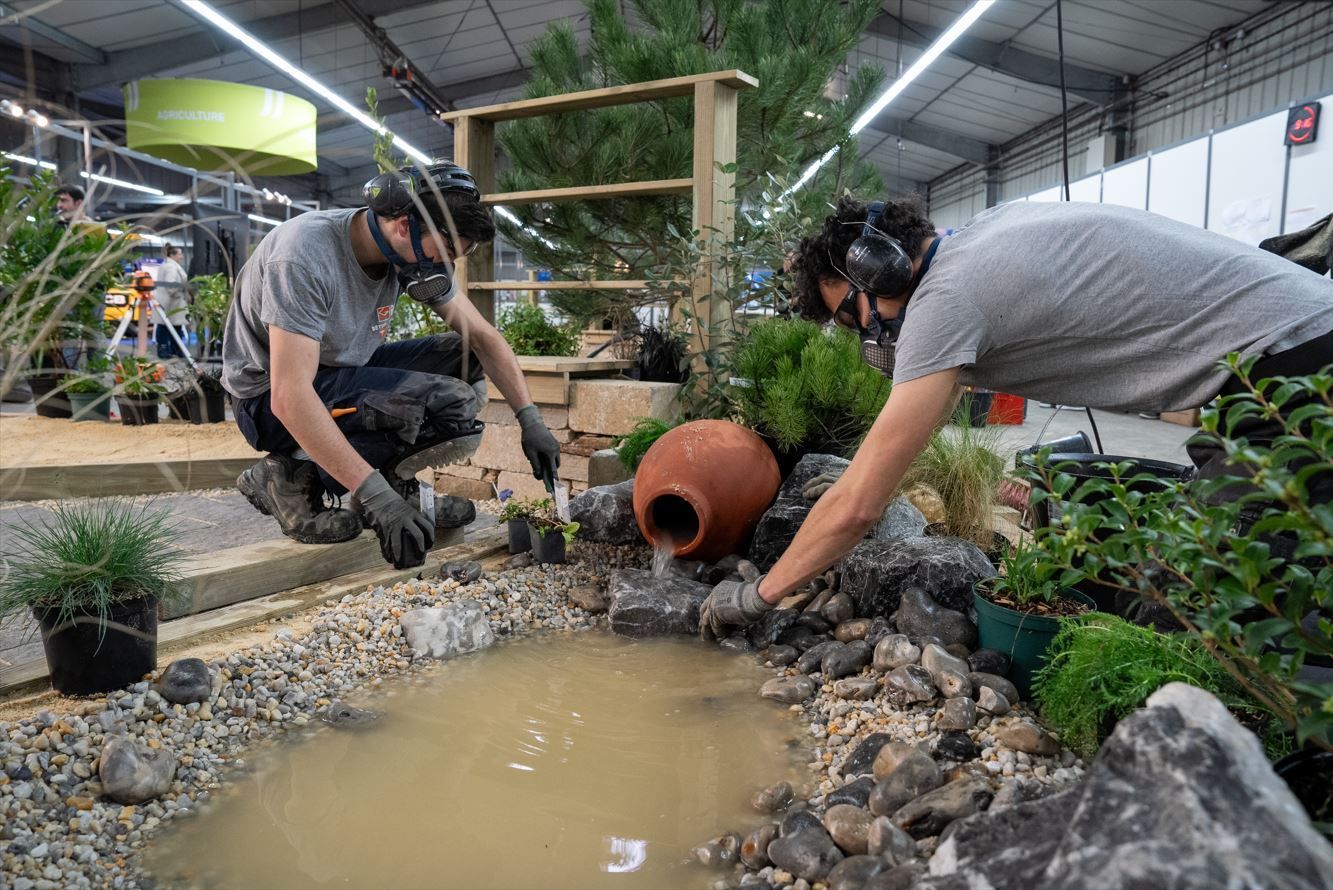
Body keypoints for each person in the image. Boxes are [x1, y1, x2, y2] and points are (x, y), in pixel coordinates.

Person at [698, 195, 1333, 638]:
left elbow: (860, 508)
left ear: (881, 267)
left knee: (1198, 601)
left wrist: (756, 597)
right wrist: (857, 479)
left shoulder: (945, 300)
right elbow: (911, 434)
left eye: (850, 315)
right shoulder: (980, 238)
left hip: (1302, 366)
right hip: (1282, 357)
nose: (863, 333)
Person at [221, 163, 562, 569]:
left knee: (463, 355)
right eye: (444, 252)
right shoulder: (303, 256)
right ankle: (288, 477)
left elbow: (483, 337)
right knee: (444, 400)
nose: (444, 264)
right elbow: (289, 396)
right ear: (404, 226)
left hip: (339, 372)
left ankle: (391, 483)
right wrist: (378, 500)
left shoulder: (406, 253)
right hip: (266, 401)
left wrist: (530, 420)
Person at [154, 246, 190, 359]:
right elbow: (171, 286)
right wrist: (182, 290)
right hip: (171, 302)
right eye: (179, 254)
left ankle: (175, 350)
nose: (181, 257)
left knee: (173, 327)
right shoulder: (171, 267)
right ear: (172, 255)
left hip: (169, 302)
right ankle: (166, 350)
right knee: (165, 327)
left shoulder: (167, 265)